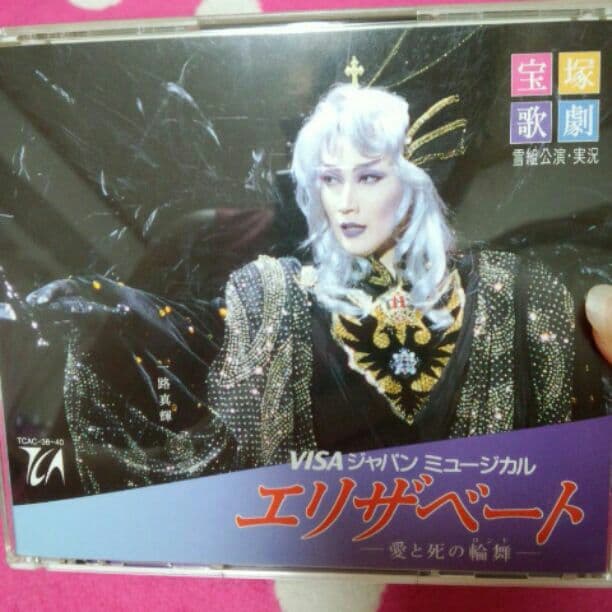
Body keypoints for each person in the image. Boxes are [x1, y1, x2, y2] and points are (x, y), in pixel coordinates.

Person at [2, 84, 610, 497]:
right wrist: (106, 307)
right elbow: (187, 337)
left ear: (412, 182)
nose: (345, 202)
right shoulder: (272, 296)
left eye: (368, 177)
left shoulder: (514, 292)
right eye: (329, 179)